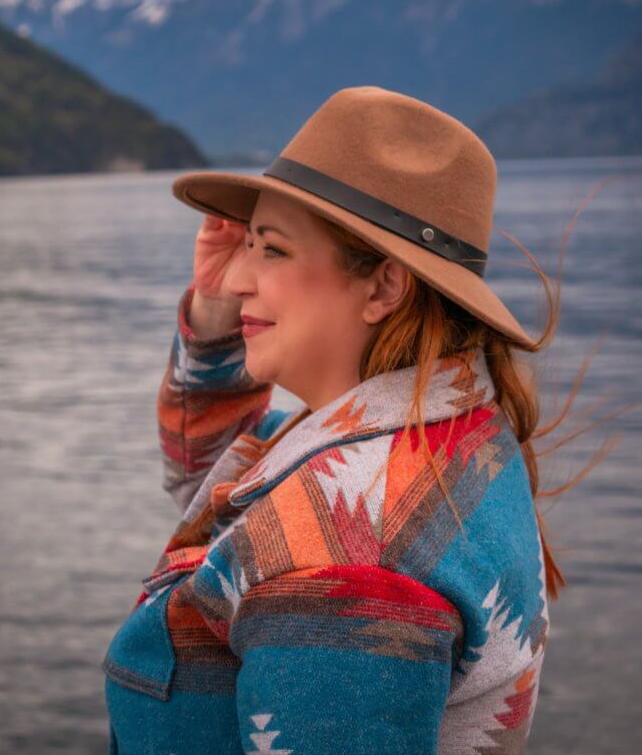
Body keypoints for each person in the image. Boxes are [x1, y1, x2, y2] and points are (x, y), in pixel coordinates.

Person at [102, 86, 564, 754]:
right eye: (247, 247)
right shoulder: (429, 437)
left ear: (382, 287)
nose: (236, 280)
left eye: (272, 250)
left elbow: (285, 546)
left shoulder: (343, 568)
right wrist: (211, 318)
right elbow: (214, 500)